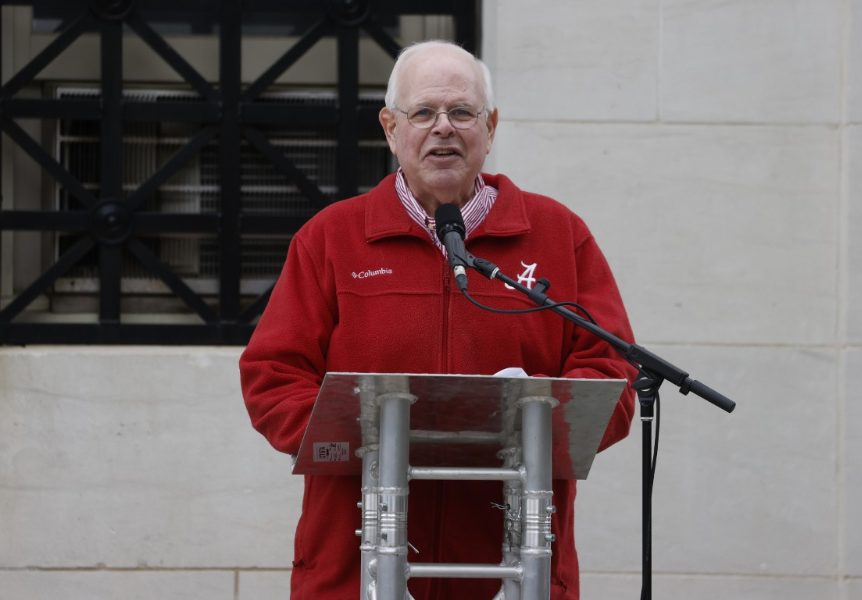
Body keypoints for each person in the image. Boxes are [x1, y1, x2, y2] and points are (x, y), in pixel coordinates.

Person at [240, 40, 637, 599]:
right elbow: (273, 376)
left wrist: (534, 415)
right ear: (389, 127)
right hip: (358, 569)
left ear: (491, 126)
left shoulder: (558, 235)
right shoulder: (331, 238)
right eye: (423, 112)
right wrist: (370, 436)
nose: (443, 128)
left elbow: (611, 371)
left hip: (514, 575)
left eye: (462, 112)